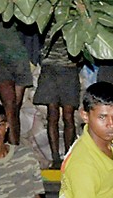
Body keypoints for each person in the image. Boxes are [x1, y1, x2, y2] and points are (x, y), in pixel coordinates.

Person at [33, 34, 81, 168]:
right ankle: (55, 158)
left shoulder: (74, 17)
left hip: (69, 66)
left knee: (68, 116)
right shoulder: (46, 15)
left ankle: (68, 156)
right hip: (50, 67)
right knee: (52, 115)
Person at [0, 17, 34, 145]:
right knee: (10, 107)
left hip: (18, 59)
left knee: (15, 108)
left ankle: (14, 147)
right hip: (0, 61)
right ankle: (14, 150)